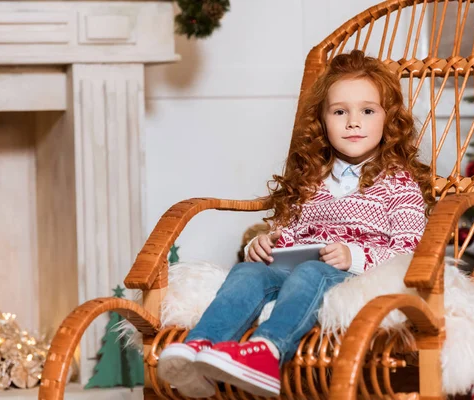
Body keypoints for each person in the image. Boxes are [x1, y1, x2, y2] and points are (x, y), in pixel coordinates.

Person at [156, 49, 435, 398]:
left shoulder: (399, 184)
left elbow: (410, 250)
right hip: (298, 269)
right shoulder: (311, 180)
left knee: (311, 273)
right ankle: (200, 351)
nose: (353, 122)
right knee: (247, 272)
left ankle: (267, 353)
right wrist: (266, 244)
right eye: (339, 112)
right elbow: (291, 231)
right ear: (322, 121)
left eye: (367, 111)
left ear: (388, 119)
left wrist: (355, 256)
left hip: (351, 277)